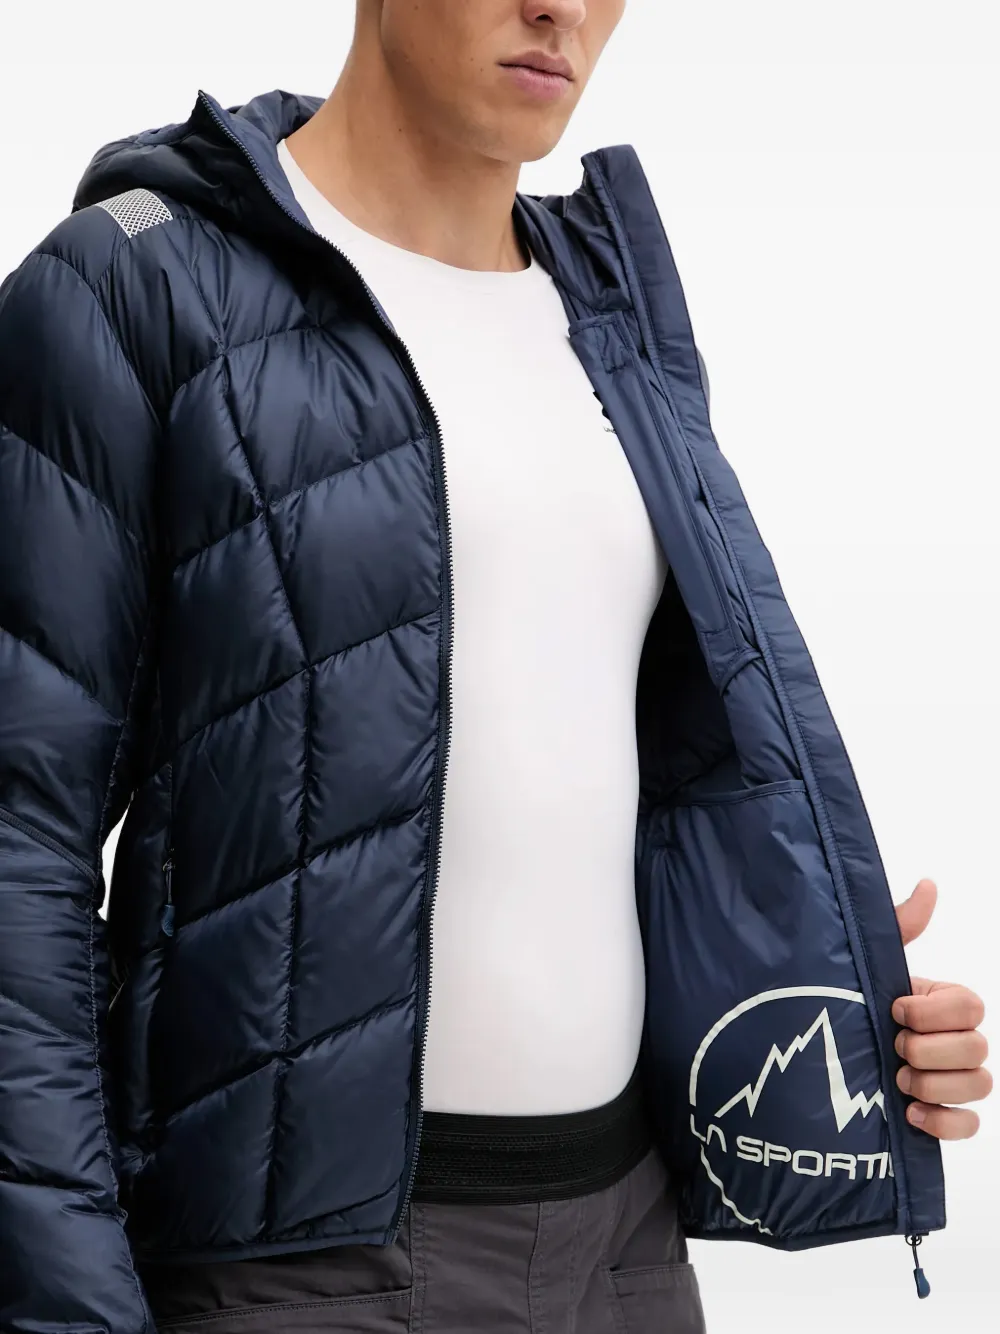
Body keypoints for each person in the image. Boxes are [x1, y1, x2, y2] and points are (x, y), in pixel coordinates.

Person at [0, 2, 990, 1331]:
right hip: (302, 1274)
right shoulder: (134, 290)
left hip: (627, 1249)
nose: (561, 8)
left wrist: (829, 991)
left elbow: (621, 782)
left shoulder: (611, 314)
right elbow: (19, 847)